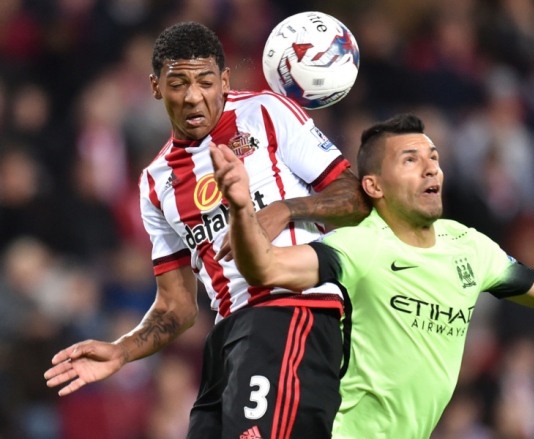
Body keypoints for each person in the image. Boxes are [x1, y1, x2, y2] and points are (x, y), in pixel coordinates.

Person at [44, 21, 369, 439]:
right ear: (156, 87)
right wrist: (122, 350)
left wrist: (284, 210)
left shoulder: (265, 113)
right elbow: (176, 307)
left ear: (225, 80)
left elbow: (356, 198)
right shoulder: (156, 182)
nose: (193, 96)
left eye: (205, 81)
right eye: (177, 82)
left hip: (291, 311)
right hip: (227, 336)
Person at [210, 112, 534, 438]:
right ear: (373, 185)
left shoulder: (469, 247)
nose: (431, 170)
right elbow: (265, 267)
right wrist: (243, 209)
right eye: (411, 160)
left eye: (434, 159)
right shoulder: (360, 247)